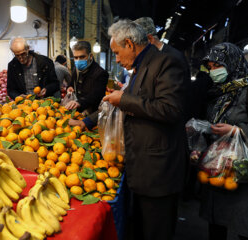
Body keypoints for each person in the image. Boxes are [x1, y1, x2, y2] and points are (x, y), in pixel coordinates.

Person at [71, 19, 188, 240]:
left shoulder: (166, 63)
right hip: (142, 167)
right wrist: (89, 122)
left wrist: (125, 100)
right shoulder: (140, 67)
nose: (115, 58)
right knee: (141, 228)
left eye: (116, 52)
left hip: (158, 171)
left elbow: (171, 109)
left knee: (156, 230)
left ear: (130, 44)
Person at [199, 42, 248, 240]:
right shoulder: (218, 91)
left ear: (232, 62)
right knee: (217, 224)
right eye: (210, 67)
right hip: (219, 167)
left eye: (217, 65)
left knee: (246, 223)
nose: (213, 71)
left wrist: (236, 130)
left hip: (244, 169)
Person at [65, 41, 108, 114]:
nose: (78, 60)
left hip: (93, 114)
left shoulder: (101, 73)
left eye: (82, 57)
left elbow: (96, 95)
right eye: (76, 57)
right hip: (77, 112)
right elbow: (71, 84)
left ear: (90, 56)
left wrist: (79, 102)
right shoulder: (76, 70)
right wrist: (69, 88)